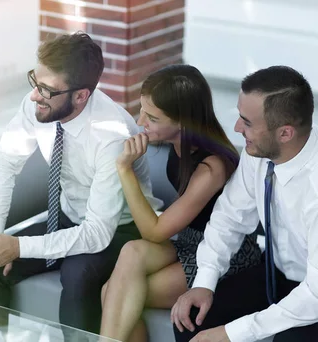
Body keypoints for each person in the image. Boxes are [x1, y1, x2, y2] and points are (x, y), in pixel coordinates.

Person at [0, 32, 163, 333]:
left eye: (46, 90)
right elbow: (3, 163)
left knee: (78, 273)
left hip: (121, 229)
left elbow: (97, 233)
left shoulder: (111, 136)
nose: (35, 95)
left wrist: (18, 247)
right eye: (35, 80)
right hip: (69, 216)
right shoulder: (39, 103)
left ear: (80, 95)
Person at [98, 65, 261, 341]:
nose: (140, 122)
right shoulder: (178, 144)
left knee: (115, 293)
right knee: (131, 252)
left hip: (224, 253)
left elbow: (155, 231)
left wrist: (125, 170)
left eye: (152, 117)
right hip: (187, 241)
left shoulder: (212, 167)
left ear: (183, 122)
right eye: (142, 111)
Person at [171, 65, 318, 342]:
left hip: (317, 293)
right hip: (274, 272)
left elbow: (317, 293)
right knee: (193, 320)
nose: (236, 128)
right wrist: (204, 282)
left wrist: (232, 334)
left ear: (285, 133)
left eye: (247, 122)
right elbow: (229, 217)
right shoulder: (259, 152)